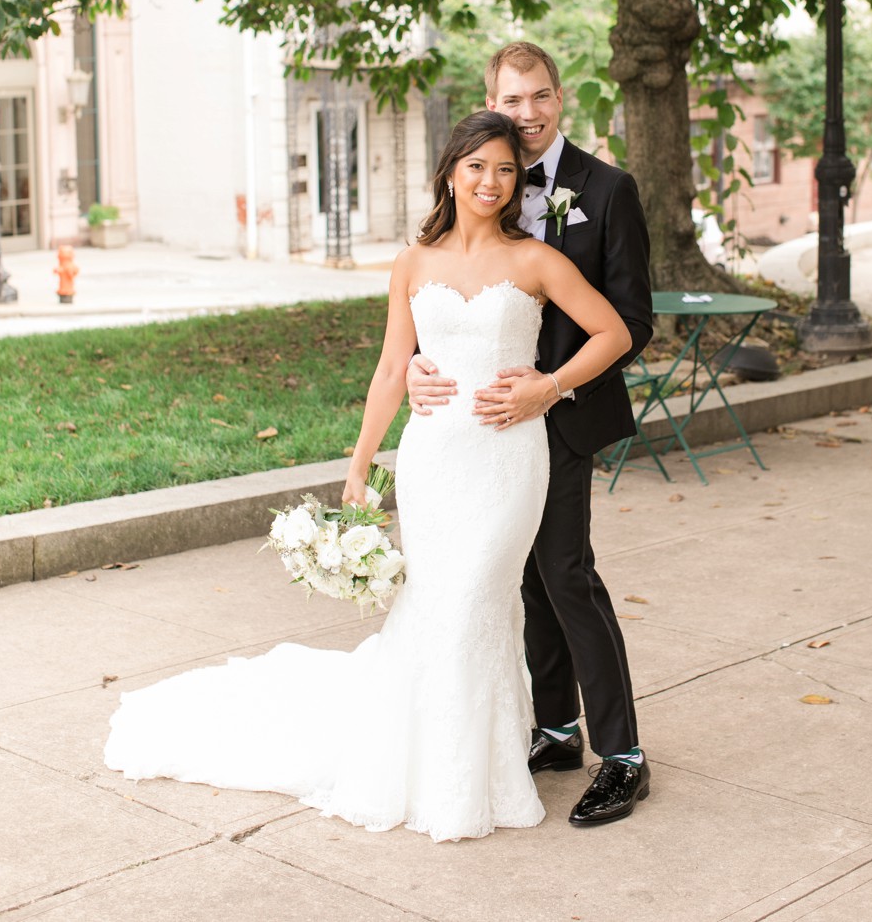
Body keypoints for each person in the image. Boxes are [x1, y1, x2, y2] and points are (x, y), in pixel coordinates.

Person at [104, 111, 631, 844]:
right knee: (439, 607)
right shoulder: (413, 262)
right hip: (433, 459)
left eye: (506, 170)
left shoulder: (534, 259)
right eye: (477, 166)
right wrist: (359, 466)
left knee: (480, 594)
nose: (491, 182)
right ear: (451, 170)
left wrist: (549, 385)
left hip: (511, 458)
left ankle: (473, 774)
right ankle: (438, 767)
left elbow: (614, 332)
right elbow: (392, 367)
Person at [407, 42, 653, 827]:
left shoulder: (608, 189)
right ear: (492, 103)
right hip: (479, 432)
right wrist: (418, 366)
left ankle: (623, 756)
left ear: (560, 99)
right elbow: (447, 293)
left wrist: (551, 387)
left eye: (540, 96)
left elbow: (631, 322)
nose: (529, 113)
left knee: (564, 571)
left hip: (565, 417)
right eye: (513, 100)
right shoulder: (486, 182)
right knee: (516, 579)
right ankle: (556, 729)